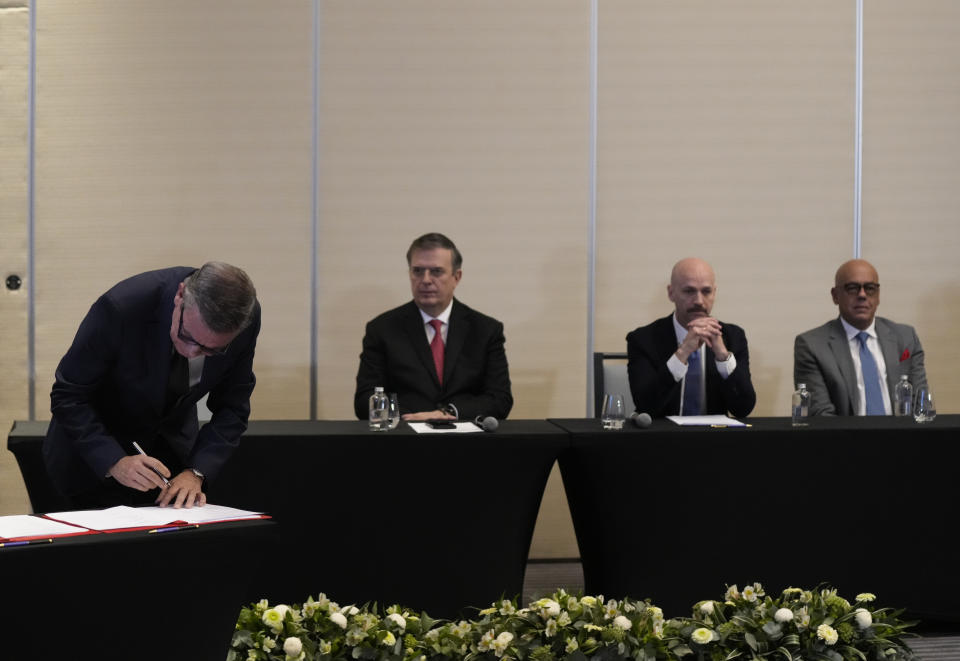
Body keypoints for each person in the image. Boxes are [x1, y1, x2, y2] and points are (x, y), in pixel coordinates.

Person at [43, 262, 260, 509]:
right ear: (180, 296)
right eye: (187, 336)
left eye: (210, 350)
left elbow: (233, 407)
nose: (191, 353)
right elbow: (68, 395)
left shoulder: (246, 320)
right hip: (91, 462)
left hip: (169, 465)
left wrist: (196, 471)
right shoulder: (123, 307)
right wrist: (114, 461)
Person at [354, 233, 513, 422]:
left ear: (456, 277)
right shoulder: (382, 329)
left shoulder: (485, 330)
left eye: (436, 271)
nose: (426, 280)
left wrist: (449, 412)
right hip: (405, 438)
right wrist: (410, 416)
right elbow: (365, 400)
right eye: (418, 271)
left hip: (467, 441)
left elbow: (500, 398)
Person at [793, 258, 926, 416]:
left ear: (878, 296)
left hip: (904, 438)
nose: (862, 295)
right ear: (835, 296)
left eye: (870, 288)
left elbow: (920, 403)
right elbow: (821, 415)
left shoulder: (905, 338)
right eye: (852, 288)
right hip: (843, 439)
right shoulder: (812, 345)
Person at [626, 257, 756, 418]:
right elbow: (646, 406)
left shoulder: (733, 336)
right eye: (689, 291)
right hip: (663, 438)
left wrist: (723, 357)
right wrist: (683, 352)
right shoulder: (643, 339)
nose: (699, 301)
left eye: (706, 291)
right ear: (671, 293)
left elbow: (743, 408)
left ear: (714, 293)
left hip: (714, 438)